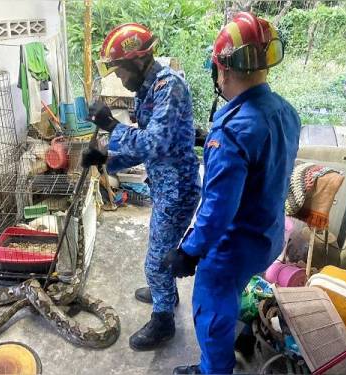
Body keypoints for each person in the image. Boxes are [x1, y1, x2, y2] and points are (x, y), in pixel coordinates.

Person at [162, 12, 302, 374]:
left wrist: (189, 252)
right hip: (268, 238)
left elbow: (217, 211)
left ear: (222, 70)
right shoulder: (286, 112)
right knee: (231, 293)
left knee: (209, 309)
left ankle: (213, 369)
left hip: (233, 247)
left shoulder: (232, 132)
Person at [82, 23, 202, 351]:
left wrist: (110, 125)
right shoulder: (149, 89)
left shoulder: (169, 87)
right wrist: (105, 157)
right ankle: (166, 290)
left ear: (137, 62)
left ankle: (163, 320)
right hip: (164, 184)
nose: (119, 79)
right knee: (159, 250)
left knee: (155, 260)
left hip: (177, 189)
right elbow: (144, 149)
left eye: (120, 71)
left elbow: (155, 142)